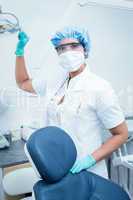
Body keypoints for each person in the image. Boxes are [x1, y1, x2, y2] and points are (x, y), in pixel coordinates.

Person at [3, 26, 128, 196]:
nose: (67, 52)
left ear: (85, 49)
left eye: (74, 45)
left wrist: (89, 160)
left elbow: (121, 134)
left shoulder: (100, 87)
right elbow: (23, 83)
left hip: (86, 171)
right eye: (61, 48)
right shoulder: (54, 81)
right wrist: (19, 52)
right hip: (53, 171)